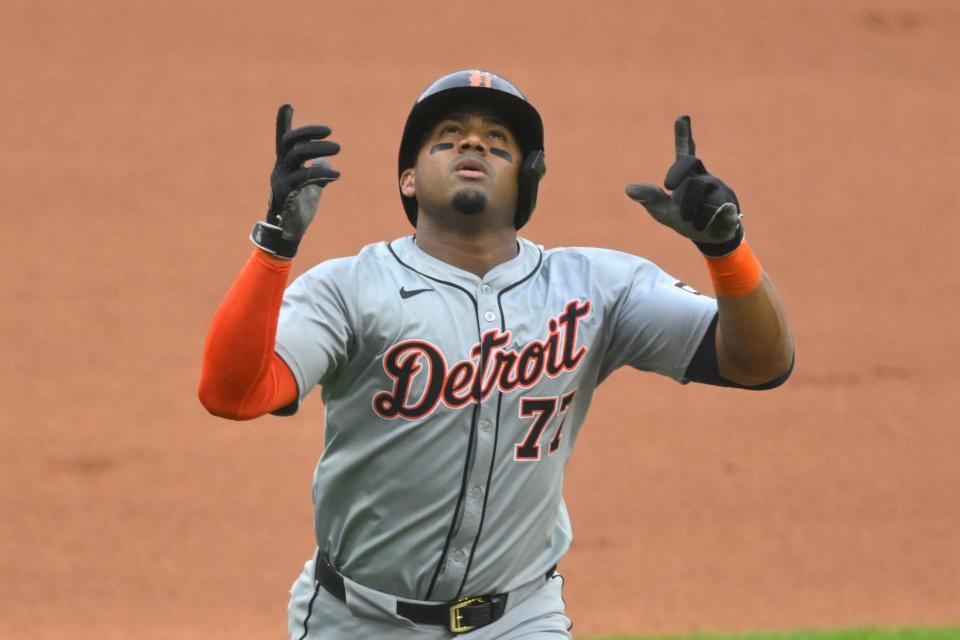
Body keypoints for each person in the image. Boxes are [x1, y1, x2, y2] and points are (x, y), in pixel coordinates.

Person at [198, 69, 794, 639]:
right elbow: (234, 392)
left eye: (498, 140)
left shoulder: (596, 288)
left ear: (527, 179)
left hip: (519, 618)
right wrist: (276, 245)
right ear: (408, 179)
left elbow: (759, 363)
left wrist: (727, 249)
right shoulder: (351, 288)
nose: (473, 143)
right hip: (358, 621)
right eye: (447, 138)